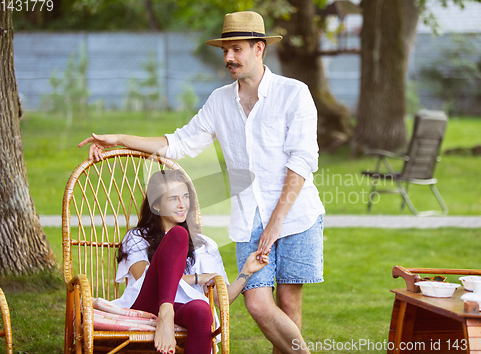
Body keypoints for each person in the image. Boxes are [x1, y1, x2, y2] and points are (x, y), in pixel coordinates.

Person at [79, 11, 325, 354]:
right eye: (225, 51)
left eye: (236, 49)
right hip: (249, 216)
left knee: (288, 301)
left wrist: (276, 223)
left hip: (296, 213)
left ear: (259, 49)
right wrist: (119, 138)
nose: (228, 58)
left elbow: (301, 162)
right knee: (257, 304)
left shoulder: (293, 94)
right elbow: (176, 143)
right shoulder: (220, 101)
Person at [113, 169, 269, 354]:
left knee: (202, 310)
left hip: (183, 309)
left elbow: (220, 299)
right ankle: (166, 312)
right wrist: (198, 278)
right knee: (178, 234)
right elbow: (144, 278)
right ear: (156, 206)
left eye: (185, 197)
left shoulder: (205, 245)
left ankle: (169, 312)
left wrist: (247, 271)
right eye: (173, 199)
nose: (182, 205)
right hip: (147, 304)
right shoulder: (137, 237)